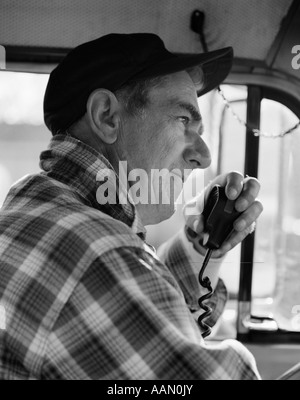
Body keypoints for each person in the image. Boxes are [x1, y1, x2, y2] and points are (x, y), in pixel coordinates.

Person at [0, 33, 263, 380]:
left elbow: (143, 309)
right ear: (107, 116)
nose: (203, 157)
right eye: (183, 121)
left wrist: (201, 245)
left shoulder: (34, 207)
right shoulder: (99, 254)